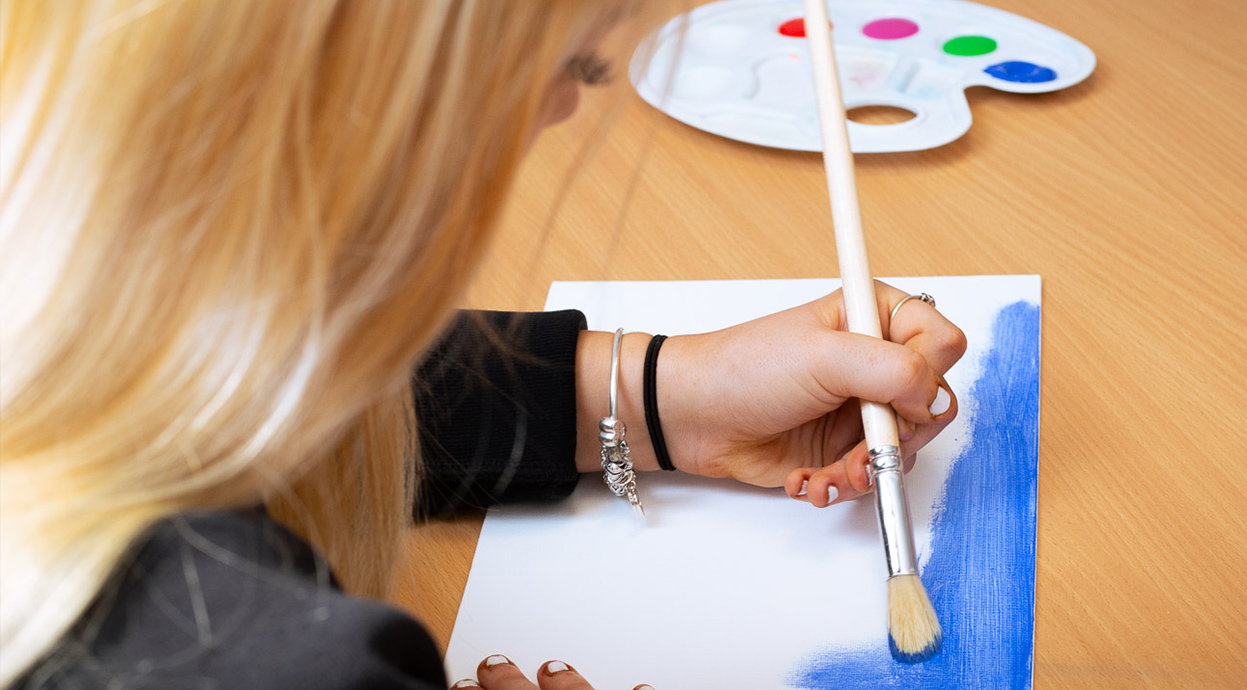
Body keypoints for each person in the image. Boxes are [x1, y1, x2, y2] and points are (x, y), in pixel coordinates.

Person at [0, 2, 966, 689]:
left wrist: (652, 394)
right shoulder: (253, 658)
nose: (557, 116)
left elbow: (197, 373)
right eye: (575, 66)